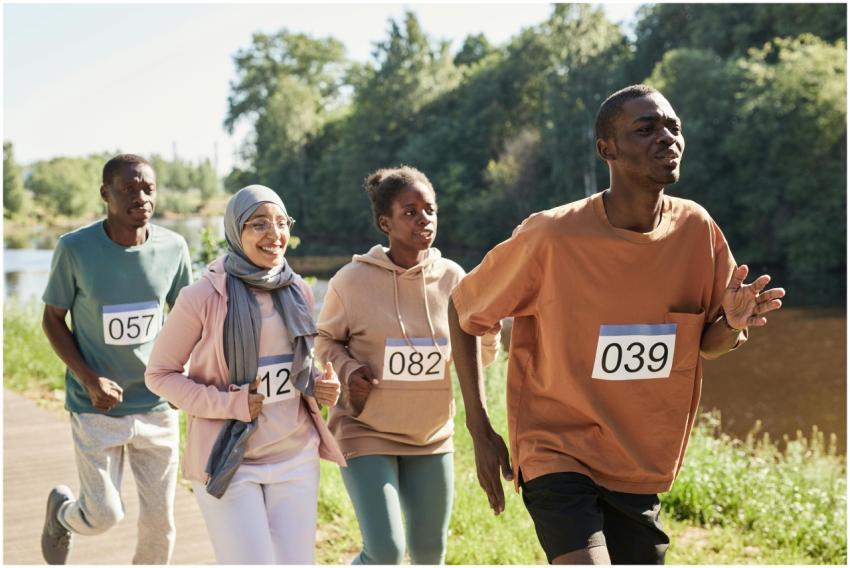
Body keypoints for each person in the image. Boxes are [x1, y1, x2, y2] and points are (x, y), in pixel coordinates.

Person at [447, 84, 786, 565]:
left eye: (673, 127)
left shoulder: (697, 230)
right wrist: (479, 428)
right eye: (645, 129)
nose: (666, 138)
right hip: (555, 449)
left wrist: (731, 323)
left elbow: (708, 345)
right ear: (607, 149)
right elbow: (463, 311)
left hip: (637, 461)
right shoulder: (551, 236)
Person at [144, 184, 344, 564]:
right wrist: (229, 403)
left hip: (296, 457)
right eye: (259, 224)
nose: (274, 234)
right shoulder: (202, 296)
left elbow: (292, 368)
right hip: (230, 462)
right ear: (236, 231)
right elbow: (160, 375)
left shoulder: (297, 289)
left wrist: (318, 385)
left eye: (281, 223)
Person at [315, 166, 499, 565]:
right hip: (366, 430)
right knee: (385, 552)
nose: (424, 219)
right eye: (410, 212)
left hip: (431, 436)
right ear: (386, 223)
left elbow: (480, 358)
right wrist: (347, 370)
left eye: (429, 210)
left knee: (429, 555)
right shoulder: (351, 281)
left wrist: (489, 332)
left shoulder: (453, 278)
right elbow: (324, 340)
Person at [40, 154, 193, 564]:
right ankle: (63, 514)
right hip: (96, 407)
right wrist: (89, 379)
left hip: (157, 404)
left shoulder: (173, 248)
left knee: (161, 523)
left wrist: (182, 375)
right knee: (104, 515)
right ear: (105, 194)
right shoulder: (74, 249)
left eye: (148, 188)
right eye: (128, 189)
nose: (141, 197)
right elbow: (52, 320)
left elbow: (186, 319)